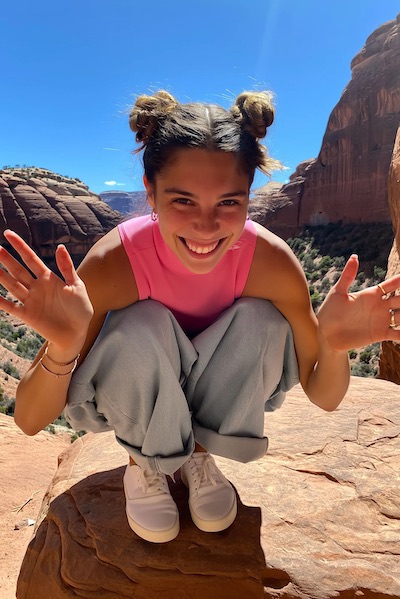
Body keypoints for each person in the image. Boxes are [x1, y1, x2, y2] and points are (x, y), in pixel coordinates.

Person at [1, 90, 400, 544]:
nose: (206, 227)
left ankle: (199, 455)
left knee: (262, 322)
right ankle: (145, 465)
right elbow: (31, 420)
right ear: (149, 192)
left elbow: (325, 397)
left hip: (218, 388)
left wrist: (331, 344)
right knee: (140, 324)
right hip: (133, 387)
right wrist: (64, 348)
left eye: (229, 202)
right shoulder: (115, 264)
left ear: (250, 195)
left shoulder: (270, 262)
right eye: (183, 201)